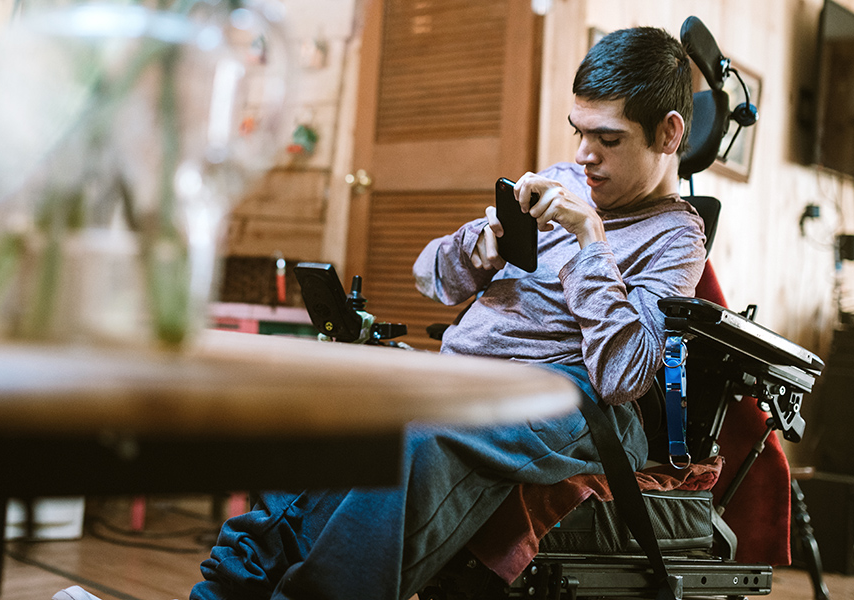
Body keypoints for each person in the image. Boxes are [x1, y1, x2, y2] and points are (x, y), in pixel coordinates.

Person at [189, 25, 704, 600]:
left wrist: (589, 239)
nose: (584, 156)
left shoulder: (676, 238)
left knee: (416, 438)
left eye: (607, 139)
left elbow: (624, 376)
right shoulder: (559, 180)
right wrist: (476, 250)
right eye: (578, 132)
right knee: (330, 406)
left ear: (668, 133)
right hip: (470, 368)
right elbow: (428, 275)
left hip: (570, 395)